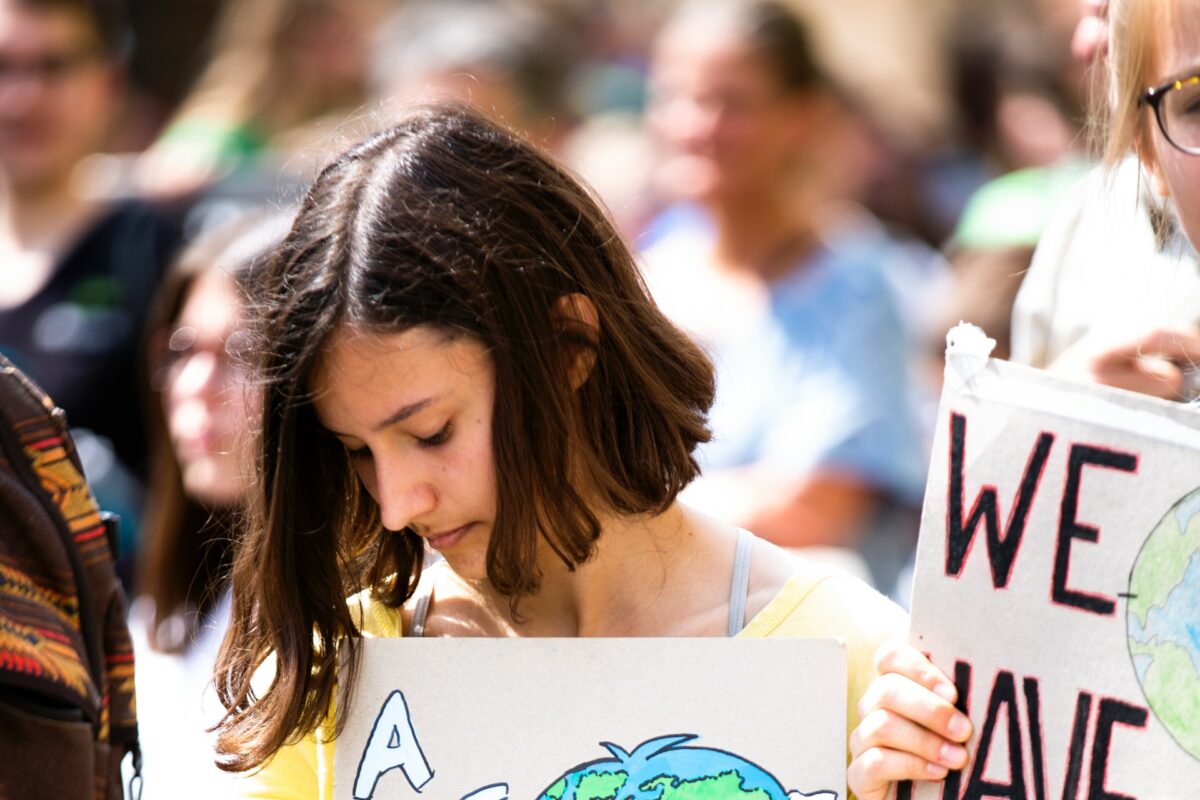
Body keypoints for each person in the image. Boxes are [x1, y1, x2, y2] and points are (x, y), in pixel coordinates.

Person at [208, 103, 909, 797]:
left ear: (569, 346)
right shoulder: (326, 681)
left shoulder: (863, 664)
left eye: (432, 434)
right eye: (356, 450)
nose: (395, 505)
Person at [848, 0, 1200, 795]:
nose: (1085, 35)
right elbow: (1002, 651)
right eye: (1199, 100)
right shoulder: (1089, 237)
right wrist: (1057, 428)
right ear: (1143, 148)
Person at [640, 0, 931, 582]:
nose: (696, 126)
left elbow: (814, 510)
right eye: (676, 97)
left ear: (801, 116)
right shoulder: (639, 281)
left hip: (801, 648)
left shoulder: (856, 287)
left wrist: (620, 514)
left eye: (731, 103)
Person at [0, 0, 182, 578]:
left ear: (109, 80)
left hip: (119, 625)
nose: (25, 96)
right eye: (3, 66)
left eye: (52, 67)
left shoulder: (156, 248)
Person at [127, 211, 287, 797]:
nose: (195, 384)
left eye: (243, 351)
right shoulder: (160, 605)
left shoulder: (368, 610)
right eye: (181, 350)